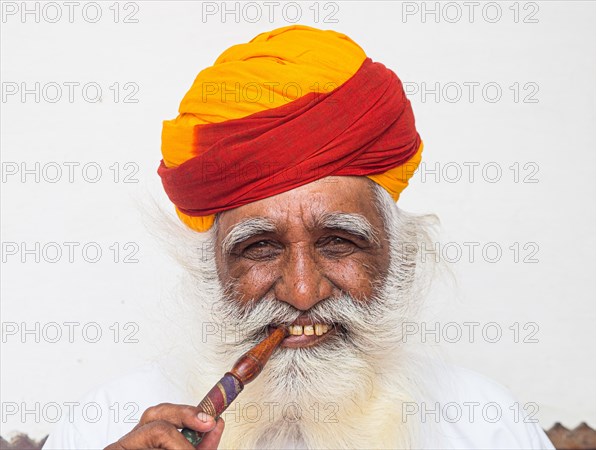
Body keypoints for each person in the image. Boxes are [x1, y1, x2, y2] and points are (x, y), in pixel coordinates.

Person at [43, 25, 554, 449]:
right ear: (211, 270)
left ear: (398, 257)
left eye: (339, 242)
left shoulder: (487, 426)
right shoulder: (101, 426)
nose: (303, 292)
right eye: (259, 247)